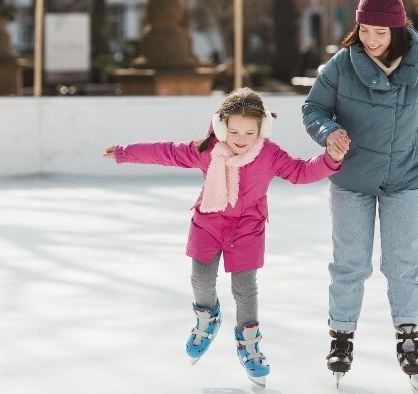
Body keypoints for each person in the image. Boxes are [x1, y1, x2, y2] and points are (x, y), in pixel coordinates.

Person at [103, 87, 350, 387]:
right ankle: (207, 318)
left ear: (262, 129)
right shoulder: (208, 150)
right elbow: (166, 152)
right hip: (208, 223)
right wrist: (125, 153)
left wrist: (330, 159)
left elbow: (299, 172)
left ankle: (249, 342)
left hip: (248, 229)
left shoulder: (269, 154)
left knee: (246, 289)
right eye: (234, 131)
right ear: (222, 126)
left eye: (249, 132)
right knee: (201, 280)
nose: (241, 139)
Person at [302, 0, 418, 388]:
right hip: (352, 179)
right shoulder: (342, 65)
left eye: (380, 32)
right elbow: (313, 107)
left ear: (397, 30)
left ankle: (408, 335)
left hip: (406, 178)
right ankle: (342, 336)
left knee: (403, 264)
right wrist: (328, 131)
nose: (371, 39)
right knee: (350, 264)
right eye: (365, 30)